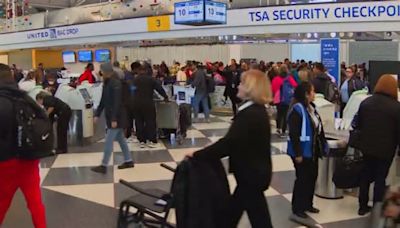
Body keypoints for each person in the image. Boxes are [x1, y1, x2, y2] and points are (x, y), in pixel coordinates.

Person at [188, 69, 273, 228]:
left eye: (241, 83)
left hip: (251, 175)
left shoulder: (250, 114)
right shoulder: (255, 111)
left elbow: (229, 144)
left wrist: (198, 154)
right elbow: (237, 141)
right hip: (253, 174)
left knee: (248, 217)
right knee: (241, 214)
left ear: (250, 88)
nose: (238, 86)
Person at [0, 64, 47, 228]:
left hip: (6, 162)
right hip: (29, 159)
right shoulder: (25, 98)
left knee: (2, 202)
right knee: (35, 203)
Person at [356, 75, 400, 216]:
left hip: (367, 146)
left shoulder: (366, 103)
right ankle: (376, 207)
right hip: (386, 149)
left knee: (365, 175)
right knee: (380, 178)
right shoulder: (396, 107)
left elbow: (359, 124)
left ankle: (362, 206)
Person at [287, 82, 327, 220]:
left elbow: (318, 128)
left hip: (313, 150)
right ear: (306, 94)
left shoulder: (312, 108)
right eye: (312, 91)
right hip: (301, 152)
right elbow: (294, 134)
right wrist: (298, 153)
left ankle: (307, 204)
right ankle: (297, 208)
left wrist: (323, 145)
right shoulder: (297, 110)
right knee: (302, 179)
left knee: (312, 177)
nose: (314, 93)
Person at [91, 63, 134, 174]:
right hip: (112, 116)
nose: (100, 73)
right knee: (121, 140)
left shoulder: (115, 84)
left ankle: (104, 165)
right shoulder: (107, 83)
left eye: (101, 71)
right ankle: (128, 160)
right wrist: (97, 114)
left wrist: (114, 119)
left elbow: (117, 102)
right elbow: (103, 101)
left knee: (108, 141)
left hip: (117, 117)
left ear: (106, 72)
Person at [132, 64, 169, 148]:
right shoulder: (151, 79)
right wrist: (165, 97)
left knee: (139, 122)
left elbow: (131, 91)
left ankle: (141, 141)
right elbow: (159, 88)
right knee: (150, 122)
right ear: (146, 71)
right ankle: (152, 140)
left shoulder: (135, 80)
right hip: (148, 103)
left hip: (136, 104)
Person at [272, 64, 297, 137]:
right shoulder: (289, 78)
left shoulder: (276, 79)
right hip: (287, 99)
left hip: (278, 100)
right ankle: (284, 129)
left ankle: (278, 128)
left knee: (279, 114)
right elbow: (295, 86)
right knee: (286, 114)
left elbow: (273, 89)